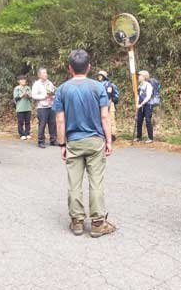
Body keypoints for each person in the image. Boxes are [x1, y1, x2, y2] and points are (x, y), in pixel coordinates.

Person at [53, 49, 116, 238]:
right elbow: (104, 117)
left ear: (70, 68)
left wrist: (62, 144)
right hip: (95, 141)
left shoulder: (62, 89)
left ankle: (77, 222)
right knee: (96, 182)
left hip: (73, 141)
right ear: (89, 67)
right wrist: (109, 140)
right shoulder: (98, 88)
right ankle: (98, 223)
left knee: (74, 182)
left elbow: (60, 121)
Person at [32, 68, 57, 148]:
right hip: (42, 107)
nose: (46, 74)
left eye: (46, 72)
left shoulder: (49, 83)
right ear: (39, 75)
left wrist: (53, 96)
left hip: (51, 105)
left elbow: (54, 92)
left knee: (53, 123)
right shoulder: (37, 84)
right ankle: (41, 141)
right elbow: (34, 95)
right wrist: (44, 96)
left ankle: (53, 140)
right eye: (43, 73)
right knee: (42, 124)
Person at [96, 70, 119, 141]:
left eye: (101, 76)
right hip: (101, 103)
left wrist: (109, 102)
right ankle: (104, 134)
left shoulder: (109, 84)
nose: (99, 77)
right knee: (102, 119)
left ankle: (113, 134)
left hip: (109, 103)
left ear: (104, 77)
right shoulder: (97, 84)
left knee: (111, 119)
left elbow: (109, 94)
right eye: (98, 76)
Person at [134, 70, 155, 143]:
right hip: (140, 105)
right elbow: (138, 96)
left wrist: (141, 104)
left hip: (148, 105)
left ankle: (150, 138)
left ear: (144, 77)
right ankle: (139, 137)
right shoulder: (140, 85)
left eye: (140, 75)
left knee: (148, 120)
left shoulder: (148, 85)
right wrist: (137, 104)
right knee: (139, 120)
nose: (138, 77)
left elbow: (148, 96)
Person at [13, 75, 32, 140]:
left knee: (28, 121)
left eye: (24, 79)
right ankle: (21, 134)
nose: (24, 81)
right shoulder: (17, 88)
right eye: (22, 80)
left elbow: (31, 97)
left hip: (28, 107)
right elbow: (15, 98)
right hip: (20, 108)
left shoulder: (28, 88)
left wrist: (28, 95)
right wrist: (22, 95)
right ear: (19, 81)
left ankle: (27, 133)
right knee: (20, 121)